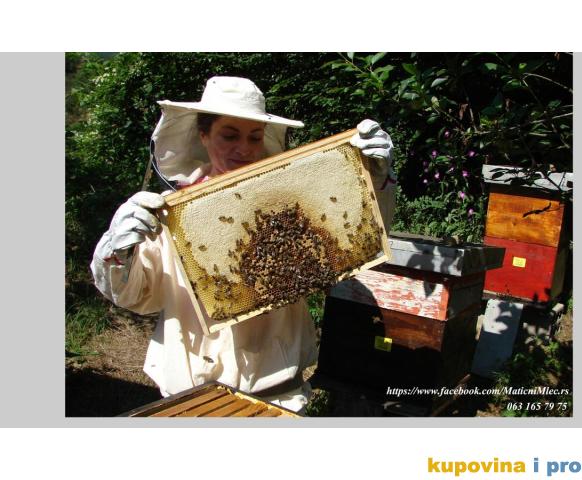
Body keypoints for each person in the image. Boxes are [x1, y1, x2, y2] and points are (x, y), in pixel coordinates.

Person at [91, 76, 396, 413]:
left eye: (254, 136)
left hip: (277, 391)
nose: (245, 148)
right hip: (190, 394)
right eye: (230, 135)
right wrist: (118, 249)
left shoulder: (290, 201)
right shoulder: (169, 213)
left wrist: (376, 179)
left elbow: (355, 232)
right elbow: (135, 294)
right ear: (204, 135)